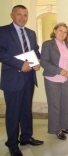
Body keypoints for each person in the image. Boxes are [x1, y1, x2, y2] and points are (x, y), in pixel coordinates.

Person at [0, 5, 44, 156]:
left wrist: (38, 61)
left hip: (28, 78)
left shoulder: (31, 33)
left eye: (25, 15)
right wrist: (20, 64)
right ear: (12, 15)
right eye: (19, 14)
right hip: (12, 79)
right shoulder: (3, 31)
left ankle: (26, 137)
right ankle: (12, 144)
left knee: (26, 110)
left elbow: (36, 51)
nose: (22, 18)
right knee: (13, 113)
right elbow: (1, 53)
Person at [41, 23, 68, 140]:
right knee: (55, 105)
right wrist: (60, 70)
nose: (62, 34)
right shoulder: (48, 44)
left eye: (65, 32)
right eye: (60, 30)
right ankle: (56, 129)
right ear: (55, 31)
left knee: (64, 104)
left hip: (65, 79)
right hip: (52, 79)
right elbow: (44, 62)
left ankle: (64, 126)